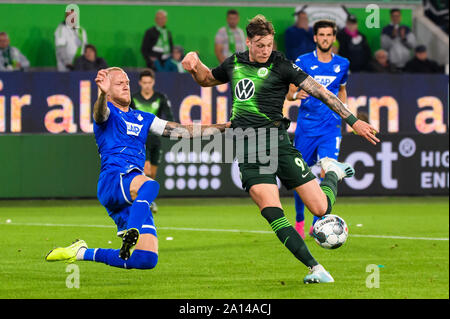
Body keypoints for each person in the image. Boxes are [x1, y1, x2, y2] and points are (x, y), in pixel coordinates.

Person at [181, 15, 379, 283]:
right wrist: (195, 64)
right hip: (250, 146)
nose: (265, 50)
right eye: (260, 45)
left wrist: (353, 121)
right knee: (271, 208)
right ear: (248, 41)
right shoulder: (235, 62)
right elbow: (206, 79)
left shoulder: (282, 64)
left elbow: (321, 92)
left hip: (278, 141)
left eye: (269, 45)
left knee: (321, 209)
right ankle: (316, 268)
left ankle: (332, 172)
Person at [45, 67, 229, 269]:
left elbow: (182, 131)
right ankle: (133, 230)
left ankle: (80, 252)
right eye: (119, 83)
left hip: (132, 193)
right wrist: (102, 94)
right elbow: (99, 113)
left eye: (127, 82)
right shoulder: (108, 113)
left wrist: (224, 127)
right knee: (150, 186)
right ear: (108, 89)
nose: (125, 85)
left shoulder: (143, 118)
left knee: (146, 260)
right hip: (115, 179)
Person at [286, 20, 350, 238]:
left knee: (327, 171)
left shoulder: (343, 63)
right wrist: (295, 95)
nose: (325, 38)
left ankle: (317, 225)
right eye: (321, 34)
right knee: (300, 177)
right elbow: (289, 92)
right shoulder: (303, 61)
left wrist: (344, 112)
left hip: (330, 128)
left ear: (333, 38)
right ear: (315, 37)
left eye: (328, 35)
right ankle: (300, 219)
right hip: (306, 128)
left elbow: (341, 91)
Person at [130, 68, 175, 212]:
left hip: (156, 139)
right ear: (140, 83)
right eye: (144, 83)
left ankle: (146, 199)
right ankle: (143, 202)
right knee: (146, 169)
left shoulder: (160, 98)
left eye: (149, 82)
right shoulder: (133, 99)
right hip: (141, 140)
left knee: (153, 174)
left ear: (153, 82)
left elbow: (169, 117)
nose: (147, 85)